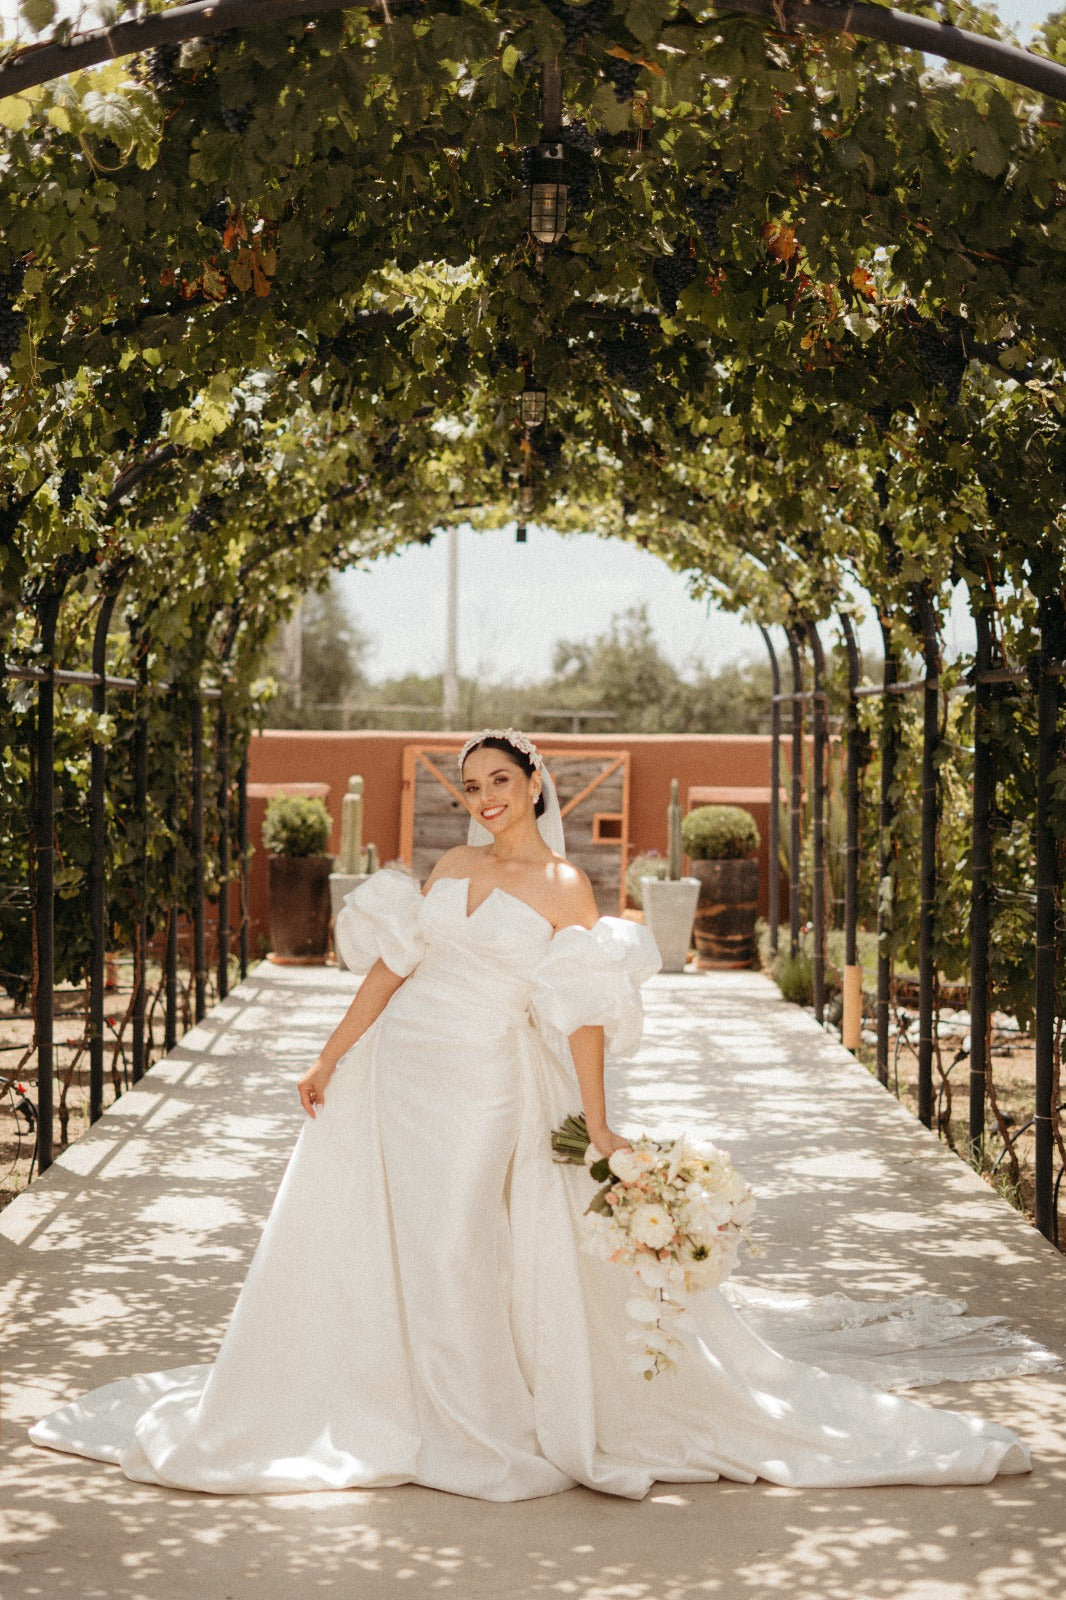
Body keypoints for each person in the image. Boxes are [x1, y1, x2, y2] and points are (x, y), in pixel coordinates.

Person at [29, 729, 1043, 1498]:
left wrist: (598, 1125)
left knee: (458, 1241)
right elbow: (394, 965)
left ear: (532, 785)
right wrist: (331, 1053)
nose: (482, 799)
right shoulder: (447, 869)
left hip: (483, 1083)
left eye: (498, 781)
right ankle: (404, 1397)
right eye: (468, 787)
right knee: (393, 1237)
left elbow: (582, 1012)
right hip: (401, 1069)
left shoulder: (568, 885)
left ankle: (478, 1416)